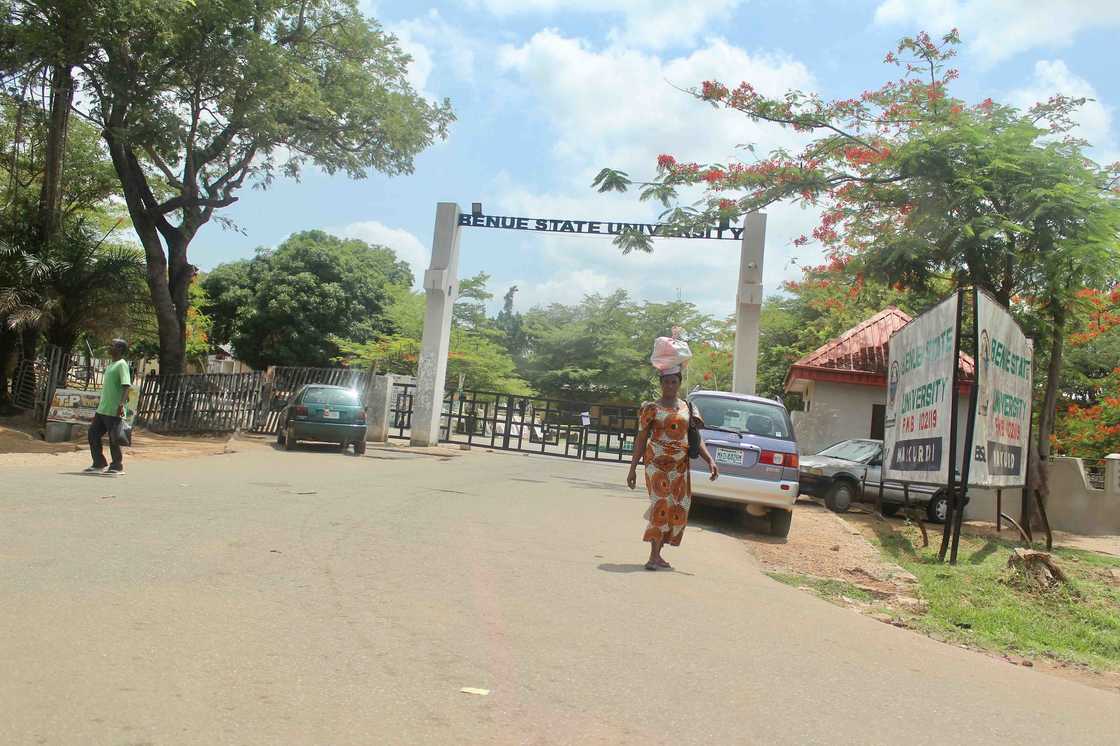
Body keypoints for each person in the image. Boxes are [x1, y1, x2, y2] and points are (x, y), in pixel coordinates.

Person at [627, 368, 718, 570]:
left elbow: (694, 437)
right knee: (661, 504)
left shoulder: (689, 407)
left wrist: (710, 460)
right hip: (656, 464)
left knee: (679, 507)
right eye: (666, 382)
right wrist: (632, 468)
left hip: (680, 466)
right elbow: (641, 438)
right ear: (661, 384)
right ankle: (652, 557)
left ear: (679, 383)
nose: (669, 386)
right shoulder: (650, 408)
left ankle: (658, 554)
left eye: (673, 382)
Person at [85, 339, 131, 475]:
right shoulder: (111, 365)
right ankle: (98, 463)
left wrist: (121, 405)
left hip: (114, 409)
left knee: (114, 438)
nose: (109, 347)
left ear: (120, 349)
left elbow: (126, 386)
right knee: (93, 434)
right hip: (103, 409)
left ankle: (116, 466)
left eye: (112, 345)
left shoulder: (122, 365)